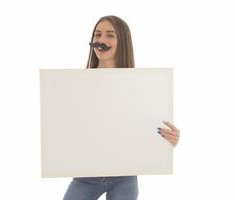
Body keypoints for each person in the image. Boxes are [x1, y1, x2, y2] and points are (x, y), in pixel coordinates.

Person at [62, 15, 180, 200]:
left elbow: (143, 125)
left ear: (122, 42)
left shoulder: (140, 85)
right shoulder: (77, 85)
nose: (101, 40)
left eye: (110, 35)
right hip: (86, 174)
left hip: (124, 175)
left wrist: (165, 143)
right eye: (97, 34)